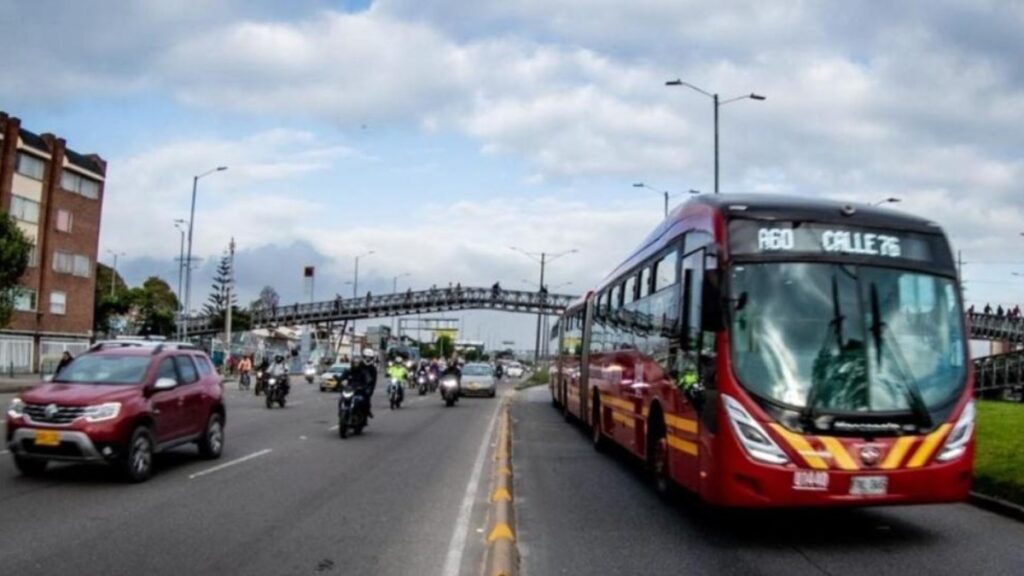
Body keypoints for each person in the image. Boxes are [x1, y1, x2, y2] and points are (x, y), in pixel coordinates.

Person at [349, 348, 378, 418]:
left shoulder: (373, 369)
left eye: (369, 358)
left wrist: (370, 390)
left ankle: (367, 411)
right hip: (354, 385)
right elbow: (349, 372)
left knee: (366, 400)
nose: (367, 359)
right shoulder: (358, 365)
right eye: (366, 357)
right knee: (344, 397)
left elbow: (373, 382)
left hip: (365, 387)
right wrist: (343, 380)